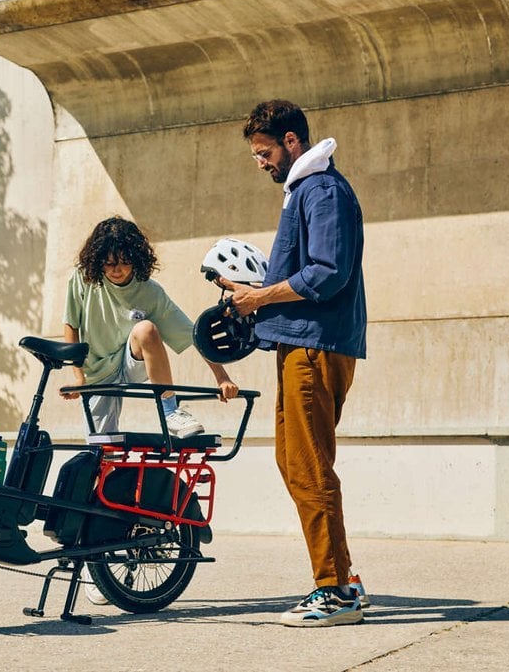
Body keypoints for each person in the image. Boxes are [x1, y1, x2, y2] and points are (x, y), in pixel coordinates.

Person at [215, 99, 368, 627]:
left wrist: (259, 299)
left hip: (316, 346)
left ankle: (335, 591)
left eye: (264, 152)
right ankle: (343, 577)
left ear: (291, 141)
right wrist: (251, 292)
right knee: (295, 460)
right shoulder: (306, 190)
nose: (260, 162)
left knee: (308, 464)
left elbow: (328, 272)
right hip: (303, 344)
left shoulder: (321, 190)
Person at [61, 216, 239, 439]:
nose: (117, 270)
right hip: (97, 372)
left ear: (136, 259)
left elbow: (194, 335)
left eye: (124, 262)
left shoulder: (150, 292)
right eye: (109, 263)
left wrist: (222, 377)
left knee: (146, 329)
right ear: (98, 261)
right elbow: (71, 325)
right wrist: (78, 377)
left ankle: (170, 410)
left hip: (130, 362)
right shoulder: (83, 279)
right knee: (99, 450)